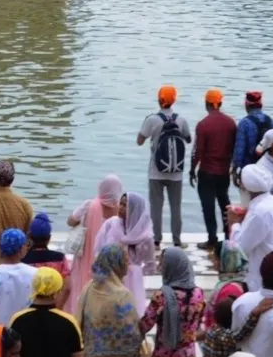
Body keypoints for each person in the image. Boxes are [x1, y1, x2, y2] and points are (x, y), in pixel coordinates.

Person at [139, 247, 209, 357]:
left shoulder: (162, 296)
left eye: (163, 264)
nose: (160, 267)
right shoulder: (198, 294)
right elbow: (198, 323)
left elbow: (144, 325)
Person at [137, 89, 192, 250]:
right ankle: (177, 241)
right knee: (176, 207)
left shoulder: (152, 119)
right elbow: (188, 139)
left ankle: (156, 241)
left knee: (156, 207)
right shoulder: (181, 119)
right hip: (176, 173)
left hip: (156, 171)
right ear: (174, 100)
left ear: (159, 100)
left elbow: (139, 141)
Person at [64, 177, 125, 314]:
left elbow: (70, 221)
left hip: (85, 255)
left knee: (80, 282)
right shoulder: (120, 210)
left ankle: (78, 311)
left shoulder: (88, 205)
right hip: (107, 258)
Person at [231, 161, 273, 293]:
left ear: (246, 188)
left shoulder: (259, 212)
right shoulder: (272, 201)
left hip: (260, 279)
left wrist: (234, 223)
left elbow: (240, 248)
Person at [193, 90, 236, 251]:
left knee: (208, 206)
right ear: (221, 103)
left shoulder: (203, 125)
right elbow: (234, 148)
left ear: (206, 104)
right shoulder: (230, 124)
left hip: (207, 172)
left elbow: (198, 151)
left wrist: (192, 169)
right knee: (225, 203)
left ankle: (212, 238)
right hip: (224, 172)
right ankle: (229, 236)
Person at [100, 191, 155, 305]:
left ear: (135, 210)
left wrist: (135, 271)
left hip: (132, 279)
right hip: (111, 273)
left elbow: (150, 265)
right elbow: (99, 247)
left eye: (125, 205)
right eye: (120, 204)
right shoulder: (111, 224)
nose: (120, 207)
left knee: (130, 307)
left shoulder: (145, 236)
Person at [230, 91, 273, 189]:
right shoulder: (272, 122)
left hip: (249, 171)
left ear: (246, 105)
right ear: (261, 105)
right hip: (268, 170)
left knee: (249, 197)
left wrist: (235, 170)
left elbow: (239, 151)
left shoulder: (244, 124)